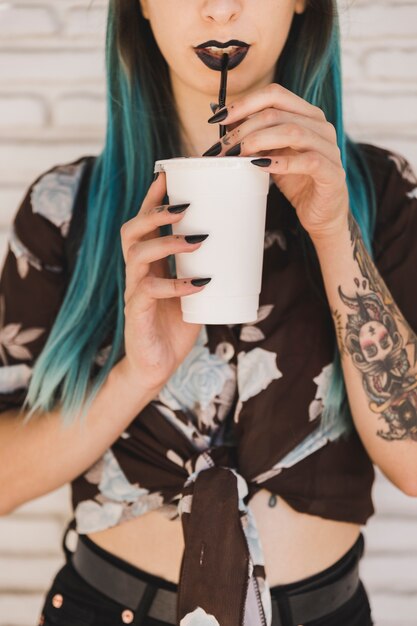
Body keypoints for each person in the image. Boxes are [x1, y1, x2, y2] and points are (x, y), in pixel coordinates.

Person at [1, 1, 416, 625]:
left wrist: (334, 233)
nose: (220, 9)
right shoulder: (64, 209)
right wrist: (135, 376)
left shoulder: (379, 194)